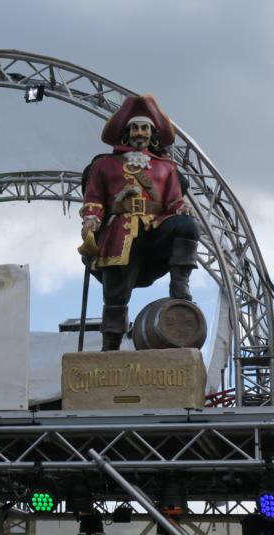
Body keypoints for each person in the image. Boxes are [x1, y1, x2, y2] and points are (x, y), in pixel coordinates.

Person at [79, 94, 200, 351]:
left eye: (145, 128)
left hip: (155, 227)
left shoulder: (167, 167)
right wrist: (91, 218)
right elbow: (94, 198)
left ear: (152, 133)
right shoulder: (104, 165)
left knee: (188, 226)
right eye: (135, 128)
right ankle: (110, 344)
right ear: (127, 132)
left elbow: (173, 201)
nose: (140, 133)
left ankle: (180, 288)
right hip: (120, 233)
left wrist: (181, 207)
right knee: (116, 291)